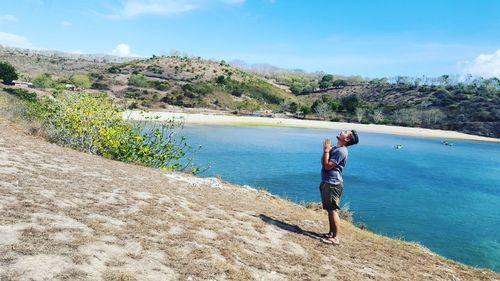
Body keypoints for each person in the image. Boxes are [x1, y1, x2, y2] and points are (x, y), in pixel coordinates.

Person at [320, 130, 359, 245]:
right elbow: (324, 162)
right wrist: (326, 151)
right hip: (327, 181)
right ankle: (331, 233)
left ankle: (335, 238)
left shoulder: (341, 151)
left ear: (347, 139)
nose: (342, 131)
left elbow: (327, 166)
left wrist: (327, 151)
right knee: (330, 210)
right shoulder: (335, 149)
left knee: (332, 210)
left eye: (345, 132)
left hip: (333, 183)